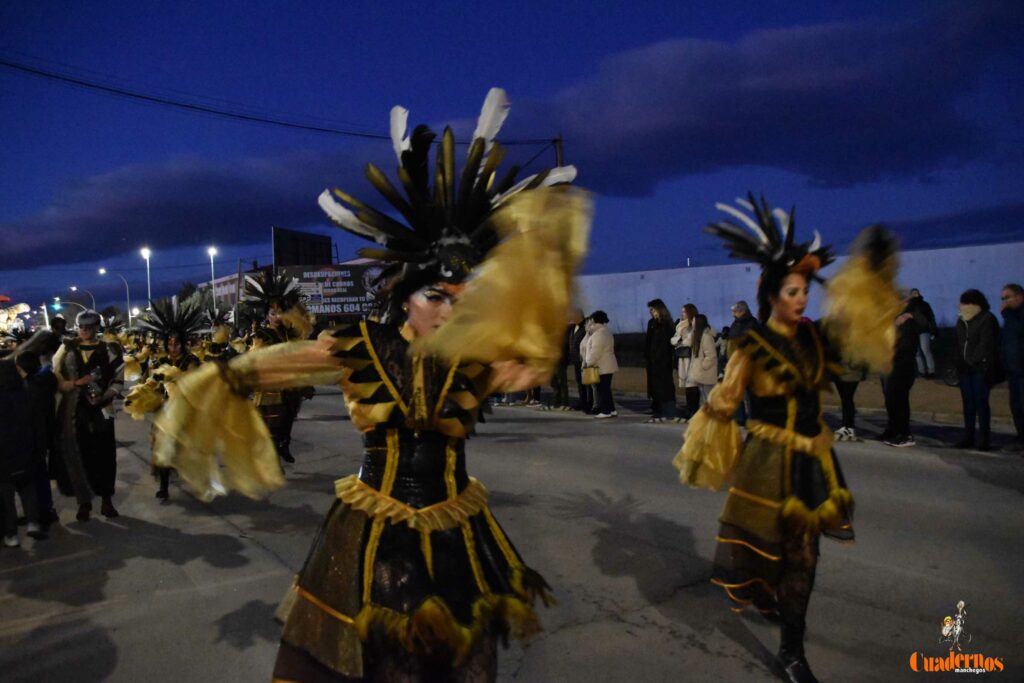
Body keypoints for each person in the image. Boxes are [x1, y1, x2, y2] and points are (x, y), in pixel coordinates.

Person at [153, 88, 587, 682]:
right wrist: (223, 374)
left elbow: (536, 350)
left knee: (459, 659)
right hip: (373, 532)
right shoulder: (359, 345)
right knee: (373, 658)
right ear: (406, 295)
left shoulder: (475, 358)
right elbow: (284, 362)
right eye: (435, 297)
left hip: (458, 527)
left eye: (460, 301)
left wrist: (544, 278)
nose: (447, 313)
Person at [674, 195, 899, 683]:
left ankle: (791, 650)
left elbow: (859, 331)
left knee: (804, 555)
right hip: (766, 463)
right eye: (791, 291)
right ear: (772, 294)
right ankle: (768, 595)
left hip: (814, 463)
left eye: (803, 291)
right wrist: (705, 451)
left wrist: (875, 276)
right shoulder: (749, 345)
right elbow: (725, 402)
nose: (800, 299)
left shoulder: (816, 338)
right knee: (763, 554)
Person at [125, 297, 205, 498]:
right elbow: (150, 382)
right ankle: (164, 486)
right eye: (169, 343)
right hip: (164, 411)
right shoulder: (160, 360)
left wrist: (175, 377)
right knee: (161, 447)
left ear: (183, 343)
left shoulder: (191, 360)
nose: (173, 347)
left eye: (177, 343)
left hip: (186, 410)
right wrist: (135, 396)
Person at [52, 310, 124, 521]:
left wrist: (106, 396)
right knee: (80, 456)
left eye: (89, 327)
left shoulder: (109, 349)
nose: (85, 331)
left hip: (102, 410)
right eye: (82, 327)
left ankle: (106, 500)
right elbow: (55, 375)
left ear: (96, 327)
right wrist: (74, 384)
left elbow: (119, 379)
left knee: (105, 456)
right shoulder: (66, 348)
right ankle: (84, 503)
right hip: (75, 411)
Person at [244, 271, 314, 465]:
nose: (276, 316)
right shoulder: (262, 335)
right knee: (272, 425)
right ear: (267, 315)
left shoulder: (289, 333)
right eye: (272, 313)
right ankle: (272, 458)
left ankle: (284, 446)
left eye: (279, 312)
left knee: (289, 419)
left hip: (290, 385)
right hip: (271, 388)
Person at [0, 359, 43, 546]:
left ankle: (11, 534)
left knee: (5, 495)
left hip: (3, 452)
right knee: (27, 487)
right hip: (24, 447)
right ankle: (33, 521)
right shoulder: (25, 394)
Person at [954, 289, 1001, 451]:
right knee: (968, 404)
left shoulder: (987, 318)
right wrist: (960, 362)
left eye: (964, 302)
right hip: (965, 369)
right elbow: (960, 344)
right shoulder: (961, 320)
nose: (960, 305)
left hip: (981, 368)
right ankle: (968, 436)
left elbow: (987, 344)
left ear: (974, 303)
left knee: (981, 403)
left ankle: (984, 439)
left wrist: (973, 360)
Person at [881, 295, 923, 448]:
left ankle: (905, 434)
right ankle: (894, 431)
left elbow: (907, 345)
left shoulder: (908, 321)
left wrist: (891, 352)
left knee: (900, 401)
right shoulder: (893, 321)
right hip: (892, 365)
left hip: (903, 366)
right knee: (892, 400)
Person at [644, 299, 677, 422]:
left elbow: (668, 343)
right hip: (653, 361)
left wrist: (664, 357)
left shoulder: (667, 323)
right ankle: (659, 408)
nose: (651, 312)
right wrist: (648, 356)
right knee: (655, 386)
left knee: (665, 385)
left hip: (664, 360)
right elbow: (649, 341)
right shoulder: (651, 323)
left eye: (653, 309)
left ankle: (669, 410)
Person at [1000, 283, 1024, 452]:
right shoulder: (1010, 316)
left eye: (1007, 297)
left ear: (1019, 297)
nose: (1004, 301)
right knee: (1016, 407)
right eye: (1003, 298)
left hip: (1022, 371)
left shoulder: (1016, 316)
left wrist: (1007, 314)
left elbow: (1018, 331)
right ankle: (1021, 440)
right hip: (1014, 371)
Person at [583, 310, 619, 419]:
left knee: (602, 389)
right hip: (606, 365)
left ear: (594, 320)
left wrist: (588, 363)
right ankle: (611, 410)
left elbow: (595, 352)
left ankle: (605, 411)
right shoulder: (605, 331)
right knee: (605, 389)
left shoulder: (599, 334)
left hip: (601, 366)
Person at [672, 304, 701, 418]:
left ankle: (694, 409)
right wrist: (679, 341)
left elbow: (690, 341)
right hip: (682, 358)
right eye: (681, 311)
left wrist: (680, 342)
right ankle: (690, 408)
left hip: (691, 357)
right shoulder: (680, 324)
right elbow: (673, 340)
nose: (682, 314)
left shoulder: (695, 323)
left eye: (684, 312)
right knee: (687, 385)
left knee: (693, 384)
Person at [685, 313, 718, 406]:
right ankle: (705, 419)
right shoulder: (699, 336)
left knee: (708, 400)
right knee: (704, 400)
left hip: (706, 373)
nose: (692, 322)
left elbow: (711, 355)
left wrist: (703, 366)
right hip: (701, 374)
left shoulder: (706, 337)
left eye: (694, 321)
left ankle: (710, 419)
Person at [833, 357, 867, 442]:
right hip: (840, 366)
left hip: (854, 368)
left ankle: (849, 427)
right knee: (844, 397)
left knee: (847, 396)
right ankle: (846, 426)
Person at [909, 288, 938, 378]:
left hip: (924, 330)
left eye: (916, 293)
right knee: (917, 353)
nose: (915, 294)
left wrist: (933, 329)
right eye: (913, 293)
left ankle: (931, 371)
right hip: (913, 331)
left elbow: (931, 317)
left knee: (926, 350)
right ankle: (922, 371)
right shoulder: (909, 306)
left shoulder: (924, 305)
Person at [566, 309, 586, 411]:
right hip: (575, 359)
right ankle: (582, 401)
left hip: (583, 359)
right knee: (579, 382)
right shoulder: (573, 327)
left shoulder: (585, 328)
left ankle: (586, 402)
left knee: (585, 382)